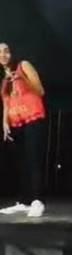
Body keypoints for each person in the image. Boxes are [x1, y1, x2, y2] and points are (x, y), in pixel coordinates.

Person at [0, 42, 47, 218]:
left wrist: (21, 79)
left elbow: (40, 91)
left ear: (11, 53)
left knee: (33, 159)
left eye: (6, 51)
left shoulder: (23, 65)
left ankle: (37, 201)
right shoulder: (3, 77)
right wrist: (5, 123)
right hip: (15, 122)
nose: (3, 55)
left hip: (33, 117)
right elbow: (6, 102)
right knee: (21, 163)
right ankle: (24, 201)